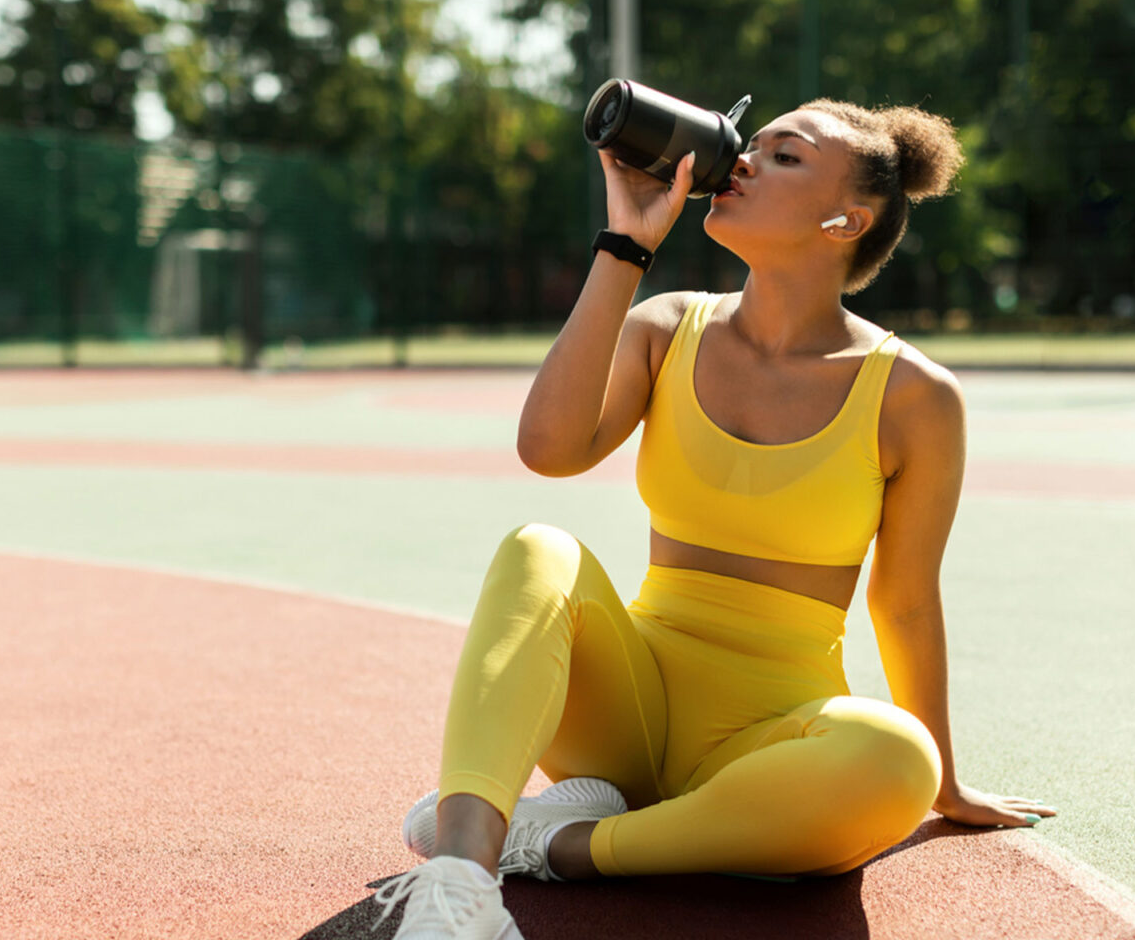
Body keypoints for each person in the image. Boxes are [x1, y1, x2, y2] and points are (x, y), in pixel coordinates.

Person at [371, 98, 1057, 940]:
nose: (741, 161)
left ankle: (561, 844)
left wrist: (943, 781)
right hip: (625, 716)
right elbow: (548, 450)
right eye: (750, 143)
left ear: (848, 219)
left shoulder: (915, 396)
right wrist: (626, 247)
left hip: (767, 750)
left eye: (784, 156)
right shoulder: (666, 327)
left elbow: (906, 600)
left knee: (896, 757)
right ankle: (461, 883)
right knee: (537, 547)